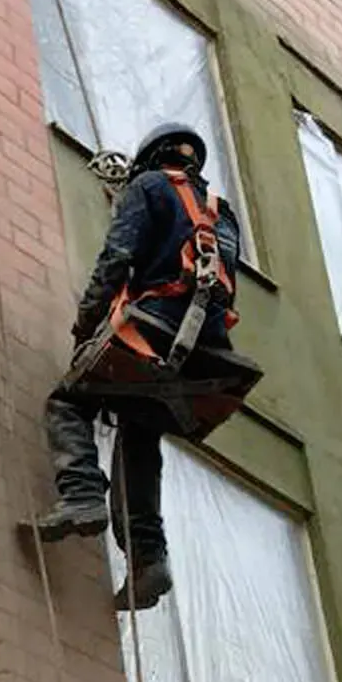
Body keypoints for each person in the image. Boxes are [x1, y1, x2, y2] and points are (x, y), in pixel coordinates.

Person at [35, 122, 243, 610]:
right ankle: (150, 560)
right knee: (138, 431)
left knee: (67, 403)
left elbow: (117, 259)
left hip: (154, 330)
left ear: (150, 160)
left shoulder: (146, 187)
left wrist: (85, 326)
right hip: (209, 352)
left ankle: (82, 494)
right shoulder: (222, 214)